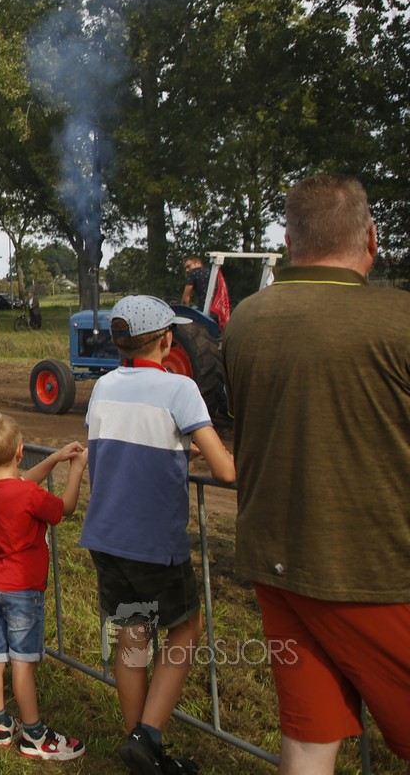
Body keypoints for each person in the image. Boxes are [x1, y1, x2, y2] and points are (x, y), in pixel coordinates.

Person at [223, 174, 410, 772]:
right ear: (371, 239)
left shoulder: (245, 320)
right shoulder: (399, 318)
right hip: (376, 569)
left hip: (276, 561)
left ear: (290, 241)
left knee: (309, 736)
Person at [81, 294, 236, 775]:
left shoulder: (103, 387)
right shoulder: (180, 388)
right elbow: (225, 470)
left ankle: (140, 750)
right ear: (167, 340)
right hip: (153, 543)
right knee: (185, 629)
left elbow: (123, 443)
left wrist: (176, 449)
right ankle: (148, 736)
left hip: (106, 536)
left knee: (133, 636)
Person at [0, 413, 87, 760]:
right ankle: (34, 734)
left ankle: (0, 724)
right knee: (23, 662)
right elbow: (64, 508)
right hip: (23, 589)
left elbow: (21, 480)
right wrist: (76, 468)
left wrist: (54, 459)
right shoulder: (27, 495)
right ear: (21, 451)